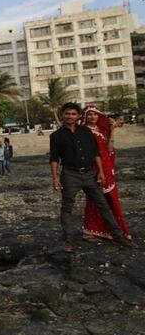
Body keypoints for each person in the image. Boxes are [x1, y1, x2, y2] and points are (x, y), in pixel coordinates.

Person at [49, 102, 134, 252]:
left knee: (103, 205)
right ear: (63, 115)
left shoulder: (86, 132)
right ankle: (69, 241)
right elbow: (54, 158)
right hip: (69, 175)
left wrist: (100, 172)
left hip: (90, 174)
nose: (70, 116)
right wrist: (55, 178)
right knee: (67, 208)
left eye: (73, 114)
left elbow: (96, 153)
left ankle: (118, 235)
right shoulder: (56, 136)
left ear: (78, 116)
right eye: (67, 113)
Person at [80, 105, 134, 244]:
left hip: (106, 166)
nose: (93, 117)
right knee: (95, 199)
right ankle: (90, 230)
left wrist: (112, 131)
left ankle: (108, 230)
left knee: (110, 198)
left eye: (95, 114)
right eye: (90, 114)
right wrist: (98, 170)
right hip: (94, 167)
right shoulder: (84, 131)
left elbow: (109, 148)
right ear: (85, 116)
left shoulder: (101, 130)